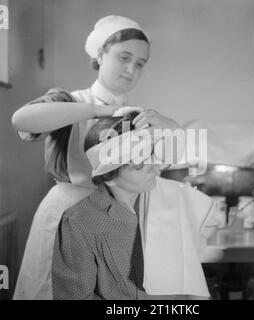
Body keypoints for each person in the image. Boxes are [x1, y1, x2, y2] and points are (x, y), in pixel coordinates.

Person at [11, 15, 179, 300]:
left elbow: (164, 163)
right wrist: (97, 111)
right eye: (124, 57)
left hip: (114, 219)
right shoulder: (69, 101)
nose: (131, 69)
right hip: (66, 213)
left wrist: (170, 127)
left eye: (140, 63)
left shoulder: (137, 115)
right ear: (101, 55)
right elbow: (22, 120)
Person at [52, 111, 215, 299]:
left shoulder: (171, 200)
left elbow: (192, 277)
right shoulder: (79, 222)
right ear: (110, 178)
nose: (155, 166)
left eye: (152, 154)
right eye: (139, 165)